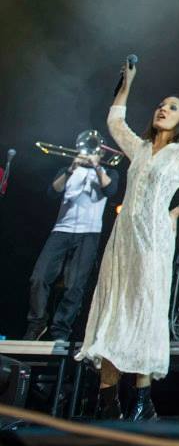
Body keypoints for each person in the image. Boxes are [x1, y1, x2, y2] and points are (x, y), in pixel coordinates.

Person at [75, 60, 179, 421]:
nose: (163, 109)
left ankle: (142, 402)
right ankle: (107, 400)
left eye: (172, 108)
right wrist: (127, 85)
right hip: (124, 238)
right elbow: (115, 123)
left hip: (154, 239)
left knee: (145, 308)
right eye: (161, 105)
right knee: (114, 307)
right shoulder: (140, 148)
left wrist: (178, 213)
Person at [24, 142, 119, 341]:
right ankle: (37, 322)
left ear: (101, 154)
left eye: (94, 150)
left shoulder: (109, 172)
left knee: (75, 285)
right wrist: (71, 169)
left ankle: (61, 330)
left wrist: (97, 167)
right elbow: (52, 192)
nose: (89, 153)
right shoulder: (67, 170)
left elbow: (111, 190)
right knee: (39, 278)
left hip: (89, 233)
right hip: (61, 230)